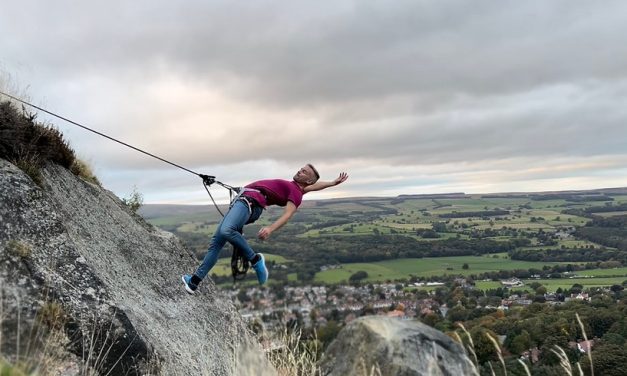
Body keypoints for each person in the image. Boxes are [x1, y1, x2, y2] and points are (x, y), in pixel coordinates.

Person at [182, 164, 348, 294]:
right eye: (301, 169)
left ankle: (255, 260)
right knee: (216, 243)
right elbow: (315, 186)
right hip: (244, 201)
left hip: (249, 203)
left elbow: (288, 214)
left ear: (308, 180)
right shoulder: (297, 187)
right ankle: (194, 282)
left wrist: (270, 228)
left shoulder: (296, 193)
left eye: (304, 172)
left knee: (226, 230)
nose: (300, 171)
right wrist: (332, 183)